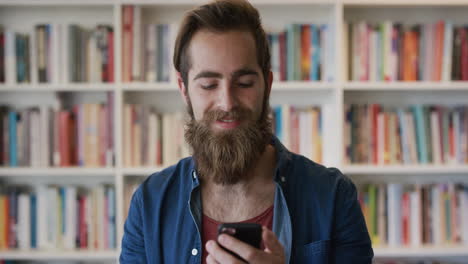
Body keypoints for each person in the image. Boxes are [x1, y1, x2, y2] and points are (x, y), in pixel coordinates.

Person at [119, 0, 373, 263]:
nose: (227, 102)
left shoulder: (332, 196)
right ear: (184, 89)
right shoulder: (150, 203)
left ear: (268, 84)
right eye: (208, 85)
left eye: (244, 83)